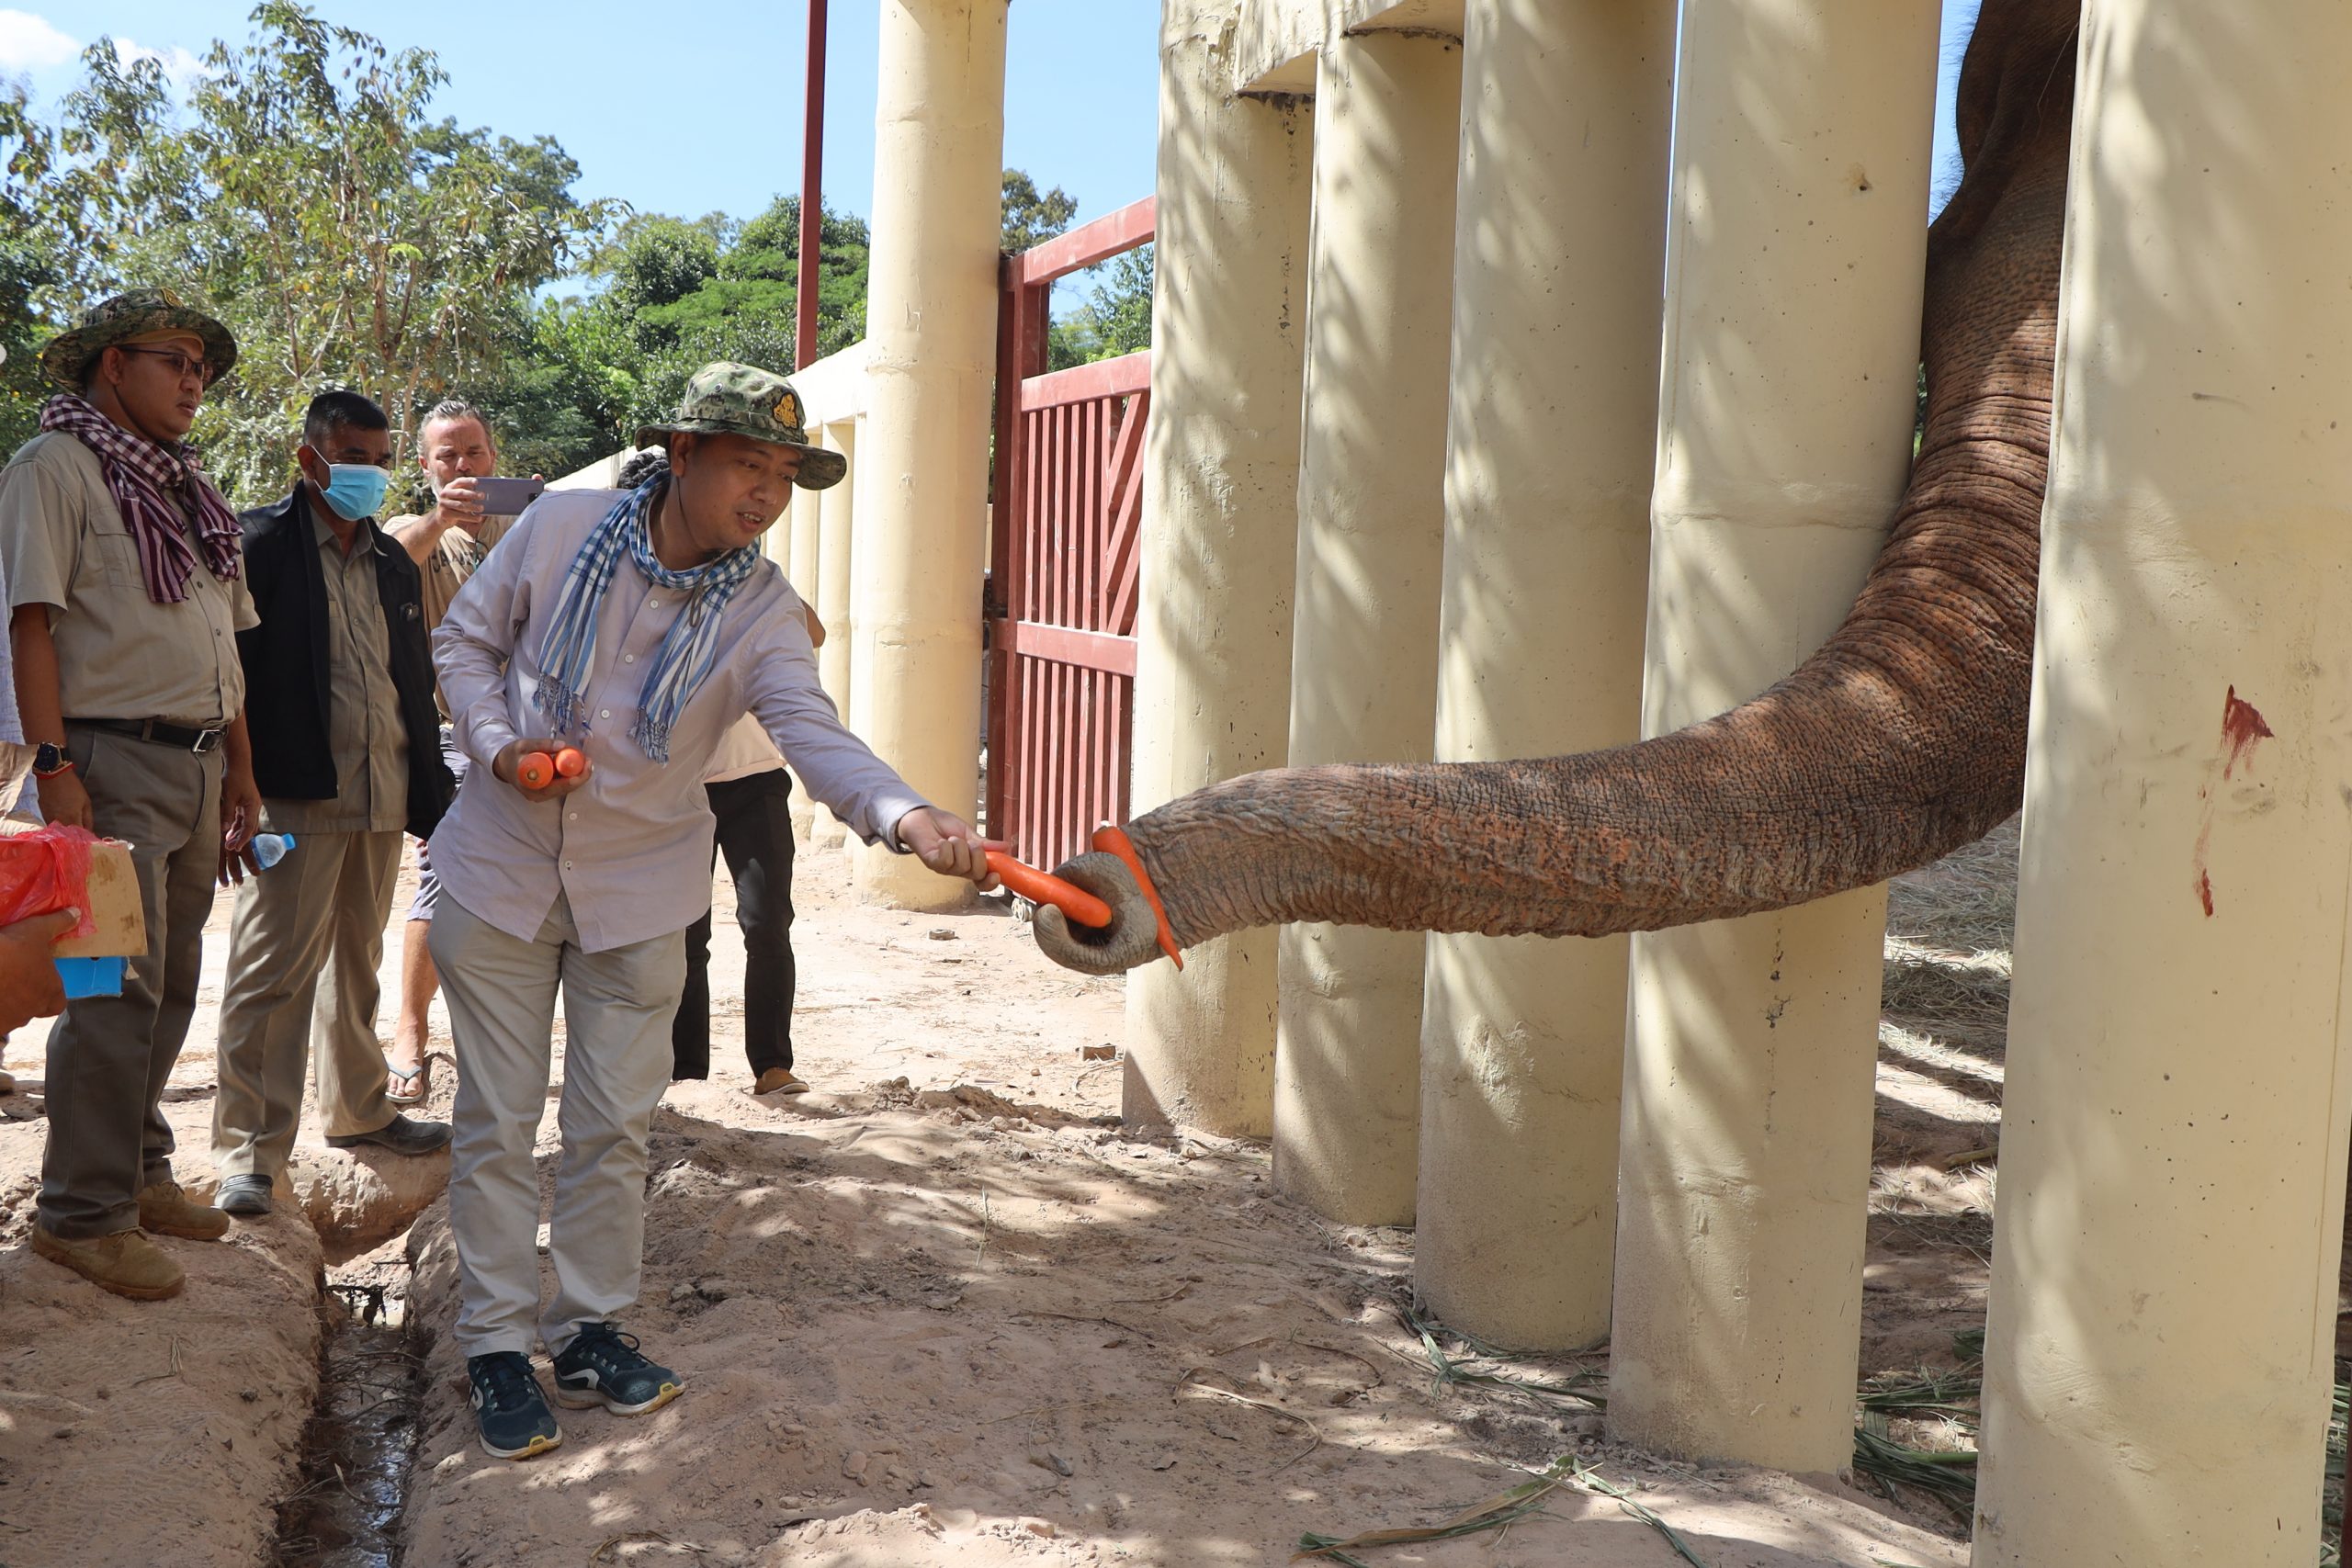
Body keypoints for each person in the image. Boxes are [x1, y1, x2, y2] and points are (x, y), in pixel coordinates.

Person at [428, 361, 995, 1461]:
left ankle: (588, 1329)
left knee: (612, 1127)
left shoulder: (762, 608)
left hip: (642, 894)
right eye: (747, 464)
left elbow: (808, 728)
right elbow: (465, 645)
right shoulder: (556, 529)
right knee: (496, 1122)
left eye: (785, 476)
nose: (766, 494)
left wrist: (904, 813)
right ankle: (495, 1345)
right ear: (682, 453)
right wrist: (500, 751)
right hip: (497, 868)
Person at [0, 288, 264, 1300]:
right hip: (106, 764)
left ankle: (138, 1171)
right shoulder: (52, 469)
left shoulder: (188, 489)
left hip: (196, 768)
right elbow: (30, 626)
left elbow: (223, 647)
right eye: (175, 360)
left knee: (174, 980)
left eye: (202, 365)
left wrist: (240, 772)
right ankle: (80, 1215)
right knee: (109, 991)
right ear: (114, 365)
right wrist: (56, 772)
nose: (194, 380)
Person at [208, 390, 457, 1217]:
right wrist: (230, 783)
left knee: (358, 962)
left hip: (381, 793)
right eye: (355, 459)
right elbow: (230, 677)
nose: (370, 475)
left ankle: (359, 1110)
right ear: (310, 457)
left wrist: (430, 788)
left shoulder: (390, 558)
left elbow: (407, 680)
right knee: (271, 971)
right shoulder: (262, 545)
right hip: (290, 794)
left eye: (382, 461)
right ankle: (249, 1150)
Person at [385, 400, 513, 1105]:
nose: (464, 467)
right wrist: (439, 518)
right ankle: (409, 1029)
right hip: (455, 740)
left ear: (495, 454)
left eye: (474, 453)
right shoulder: (418, 536)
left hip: (541, 742)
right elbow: (387, 558)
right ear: (426, 467)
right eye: (448, 456)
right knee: (443, 880)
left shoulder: (531, 528)